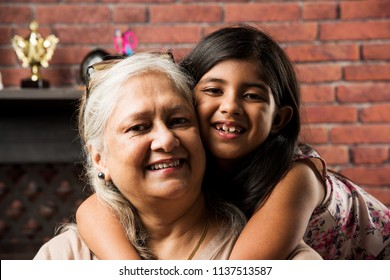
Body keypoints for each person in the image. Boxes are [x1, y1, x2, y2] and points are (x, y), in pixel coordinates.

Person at [77, 25, 390, 260]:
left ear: (279, 119)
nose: (230, 107)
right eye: (214, 90)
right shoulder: (189, 159)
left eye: (252, 96)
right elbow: (92, 210)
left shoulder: (298, 177)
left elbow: (240, 269)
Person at [33, 52, 248, 260]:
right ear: (100, 159)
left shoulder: (254, 247)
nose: (166, 140)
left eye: (179, 120)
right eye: (138, 127)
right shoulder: (64, 257)